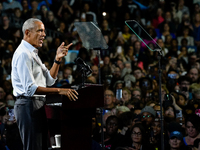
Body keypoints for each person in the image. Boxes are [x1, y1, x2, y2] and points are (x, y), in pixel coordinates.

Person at [11, 18, 78, 150]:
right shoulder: (24, 54)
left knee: (41, 146)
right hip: (28, 105)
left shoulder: (33, 53)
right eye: (40, 31)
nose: (44, 35)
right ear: (27, 32)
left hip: (37, 105)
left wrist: (57, 60)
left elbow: (49, 80)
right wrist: (60, 91)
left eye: (44, 31)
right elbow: (30, 89)